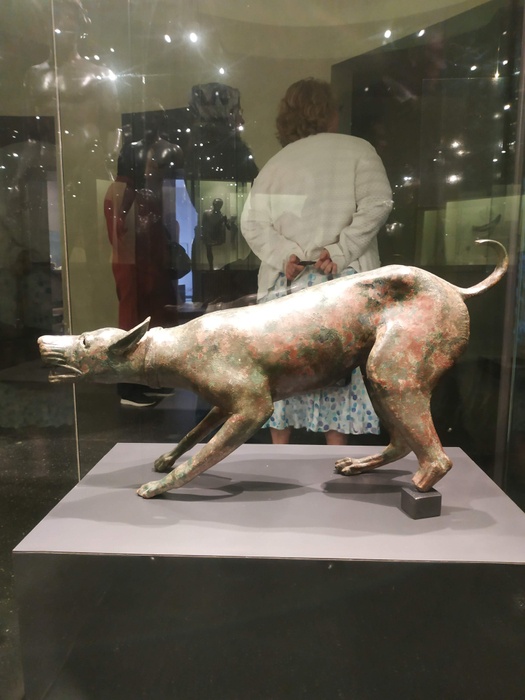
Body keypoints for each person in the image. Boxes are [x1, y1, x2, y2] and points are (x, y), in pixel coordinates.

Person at [240, 77, 393, 445]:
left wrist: (285, 256)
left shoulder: (275, 164)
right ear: (330, 113)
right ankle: (335, 457)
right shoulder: (359, 150)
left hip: (287, 286)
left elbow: (252, 223)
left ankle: (278, 454)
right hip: (342, 284)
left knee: (280, 375)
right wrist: (340, 251)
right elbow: (378, 203)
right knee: (339, 376)